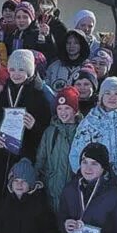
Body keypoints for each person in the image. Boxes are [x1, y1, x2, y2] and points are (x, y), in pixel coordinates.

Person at [0, 49, 53, 196]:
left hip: (25, 157)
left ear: (30, 71)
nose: (16, 74)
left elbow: (47, 132)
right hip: (1, 157)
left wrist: (34, 126)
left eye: (21, 69)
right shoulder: (2, 96)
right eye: (13, 69)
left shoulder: (39, 98)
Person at [69, 77, 117, 195]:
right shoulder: (89, 122)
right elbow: (76, 154)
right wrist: (86, 178)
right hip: (96, 186)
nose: (112, 97)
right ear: (101, 96)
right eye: (107, 93)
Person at [35, 87, 81, 215]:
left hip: (72, 189)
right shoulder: (50, 131)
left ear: (75, 110)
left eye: (67, 108)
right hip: (51, 186)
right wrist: (37, 177)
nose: (63, 112)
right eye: (59, 108)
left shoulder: (81, 131)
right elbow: (41, 158)